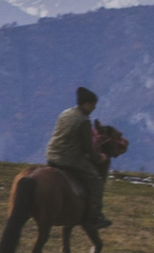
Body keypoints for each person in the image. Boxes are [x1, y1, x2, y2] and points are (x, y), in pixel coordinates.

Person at [44, 86, 111, 229]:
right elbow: (88, 148)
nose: (94, 108)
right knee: (95, 181)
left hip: (51, 155)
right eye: (93, 104)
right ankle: (94, 217)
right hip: (69, 159)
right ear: (86, 104)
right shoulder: (83, 121)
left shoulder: (65, 113)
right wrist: (99, 158)